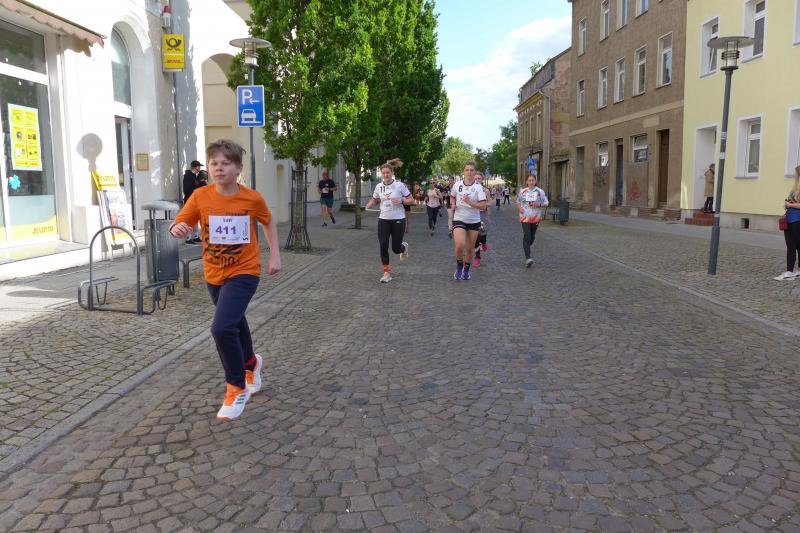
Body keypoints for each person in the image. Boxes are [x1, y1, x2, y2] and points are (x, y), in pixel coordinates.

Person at [169, 139, 281, 420]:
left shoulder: (251, 198)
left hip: (244, 271)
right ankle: (252, 363)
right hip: (214, 273)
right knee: (235, 322)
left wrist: (275, 255)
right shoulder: (200, 196)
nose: (219, 168)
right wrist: (177, 229)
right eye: (214, 163)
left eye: (225, 163)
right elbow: (181, 223)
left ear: (238, 168)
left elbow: (268, 221)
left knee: (221, 328)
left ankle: (236, 386)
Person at [363, 159, 412, 283]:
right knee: (383, 245)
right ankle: (386, 273)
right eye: (383, 173)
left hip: (398, 219)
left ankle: (403, 247)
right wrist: (369, 204)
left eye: (388, 173)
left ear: (392, 173)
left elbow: (411, 200)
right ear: (381, 173)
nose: (386, 175)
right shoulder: (378, 187)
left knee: (395, 248)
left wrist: (402, 200)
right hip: (383, 219)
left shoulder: (400, 185)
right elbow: (375, 199)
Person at [450, 161, 488, 280]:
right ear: (464, 171)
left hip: (473, 220)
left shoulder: (478, 187)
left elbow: (483, 206)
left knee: (470, 249)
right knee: (459, 245)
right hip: (459, 218)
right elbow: (452, 197)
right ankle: (459, 266)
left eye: (472, 170)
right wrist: (453, 204)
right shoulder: (457, 185)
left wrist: (470, 202)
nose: (469, 172)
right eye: (467, 170)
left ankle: (466, 270)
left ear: (474, 172)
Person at [517, 173, 549, 268]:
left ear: (535, 181)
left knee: (532, 237)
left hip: (536, 217)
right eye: (529, 180)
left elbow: (546, 203)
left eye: (533, 180)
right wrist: (520, 208)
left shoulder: (540, 192)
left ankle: (526, 246)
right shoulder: (523, 192)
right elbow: (518, 202)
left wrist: (538, 204)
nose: (531, 182)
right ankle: (528, 258)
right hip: (525, 217)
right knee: (527, 236)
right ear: (526, 182)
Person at [775, 165, 800, 280]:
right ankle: (792, 271)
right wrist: (787, 204)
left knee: (794, 246)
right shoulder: (794, 188)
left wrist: (790, 204)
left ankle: (790, 271)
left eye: (795, 173)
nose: (794, 174)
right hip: (790, 219)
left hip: (797, 220)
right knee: (792, 246)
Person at [182, 160, 206, 243]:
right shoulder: (187, 176)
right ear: (196, 167)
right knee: (189, 220)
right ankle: (188, 238)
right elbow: (187, 190)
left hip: (196, 201)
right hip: (189, 201)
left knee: (195, 219)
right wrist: (197, 188)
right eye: (199, 166)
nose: (200, 168)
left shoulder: (195, 176)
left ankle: (196, 236)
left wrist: (201, 184)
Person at [472, 173, 491, 267]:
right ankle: (477, 257)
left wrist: (481, 204)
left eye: (479, 178)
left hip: (483, 214)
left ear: (482, 180)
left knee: (482, 234)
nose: (477, 180)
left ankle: (484, 242)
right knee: (476, 237)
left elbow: (490, 203)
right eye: (475, 178)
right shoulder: (470, 190)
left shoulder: (486, 190)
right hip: (473, 215)